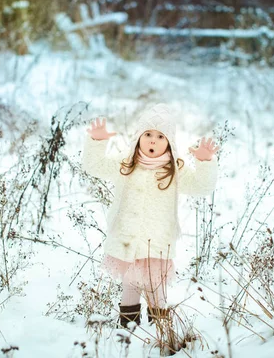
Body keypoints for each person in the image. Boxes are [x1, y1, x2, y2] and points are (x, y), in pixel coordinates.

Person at [82, 104, 219, 329]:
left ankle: (161, 330)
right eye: (147, 134)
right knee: (130, 284)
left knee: (156, 287)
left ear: (169, 141)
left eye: (160, 136)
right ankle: (128, 330)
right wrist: (97, 142)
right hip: (127, 240)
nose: (152, 140)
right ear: (138, 137)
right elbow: (94, 165)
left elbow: (202, 186)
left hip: (157, 243)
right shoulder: (126, 162)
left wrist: (205, 162)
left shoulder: (175, 168)